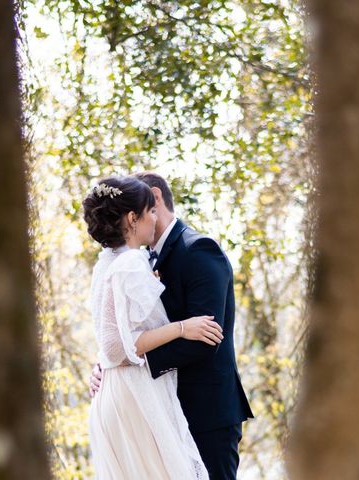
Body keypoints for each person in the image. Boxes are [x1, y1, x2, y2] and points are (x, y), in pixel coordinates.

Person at [90, 172, 254, 479]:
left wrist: (129, 362)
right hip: (157, 409)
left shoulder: (199, 250)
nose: (149, 216)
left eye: (149, 208)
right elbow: (122, 331)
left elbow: (206, 338)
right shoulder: (133, 258)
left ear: (155, 197)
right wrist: (107, 364)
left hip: (205, 412)